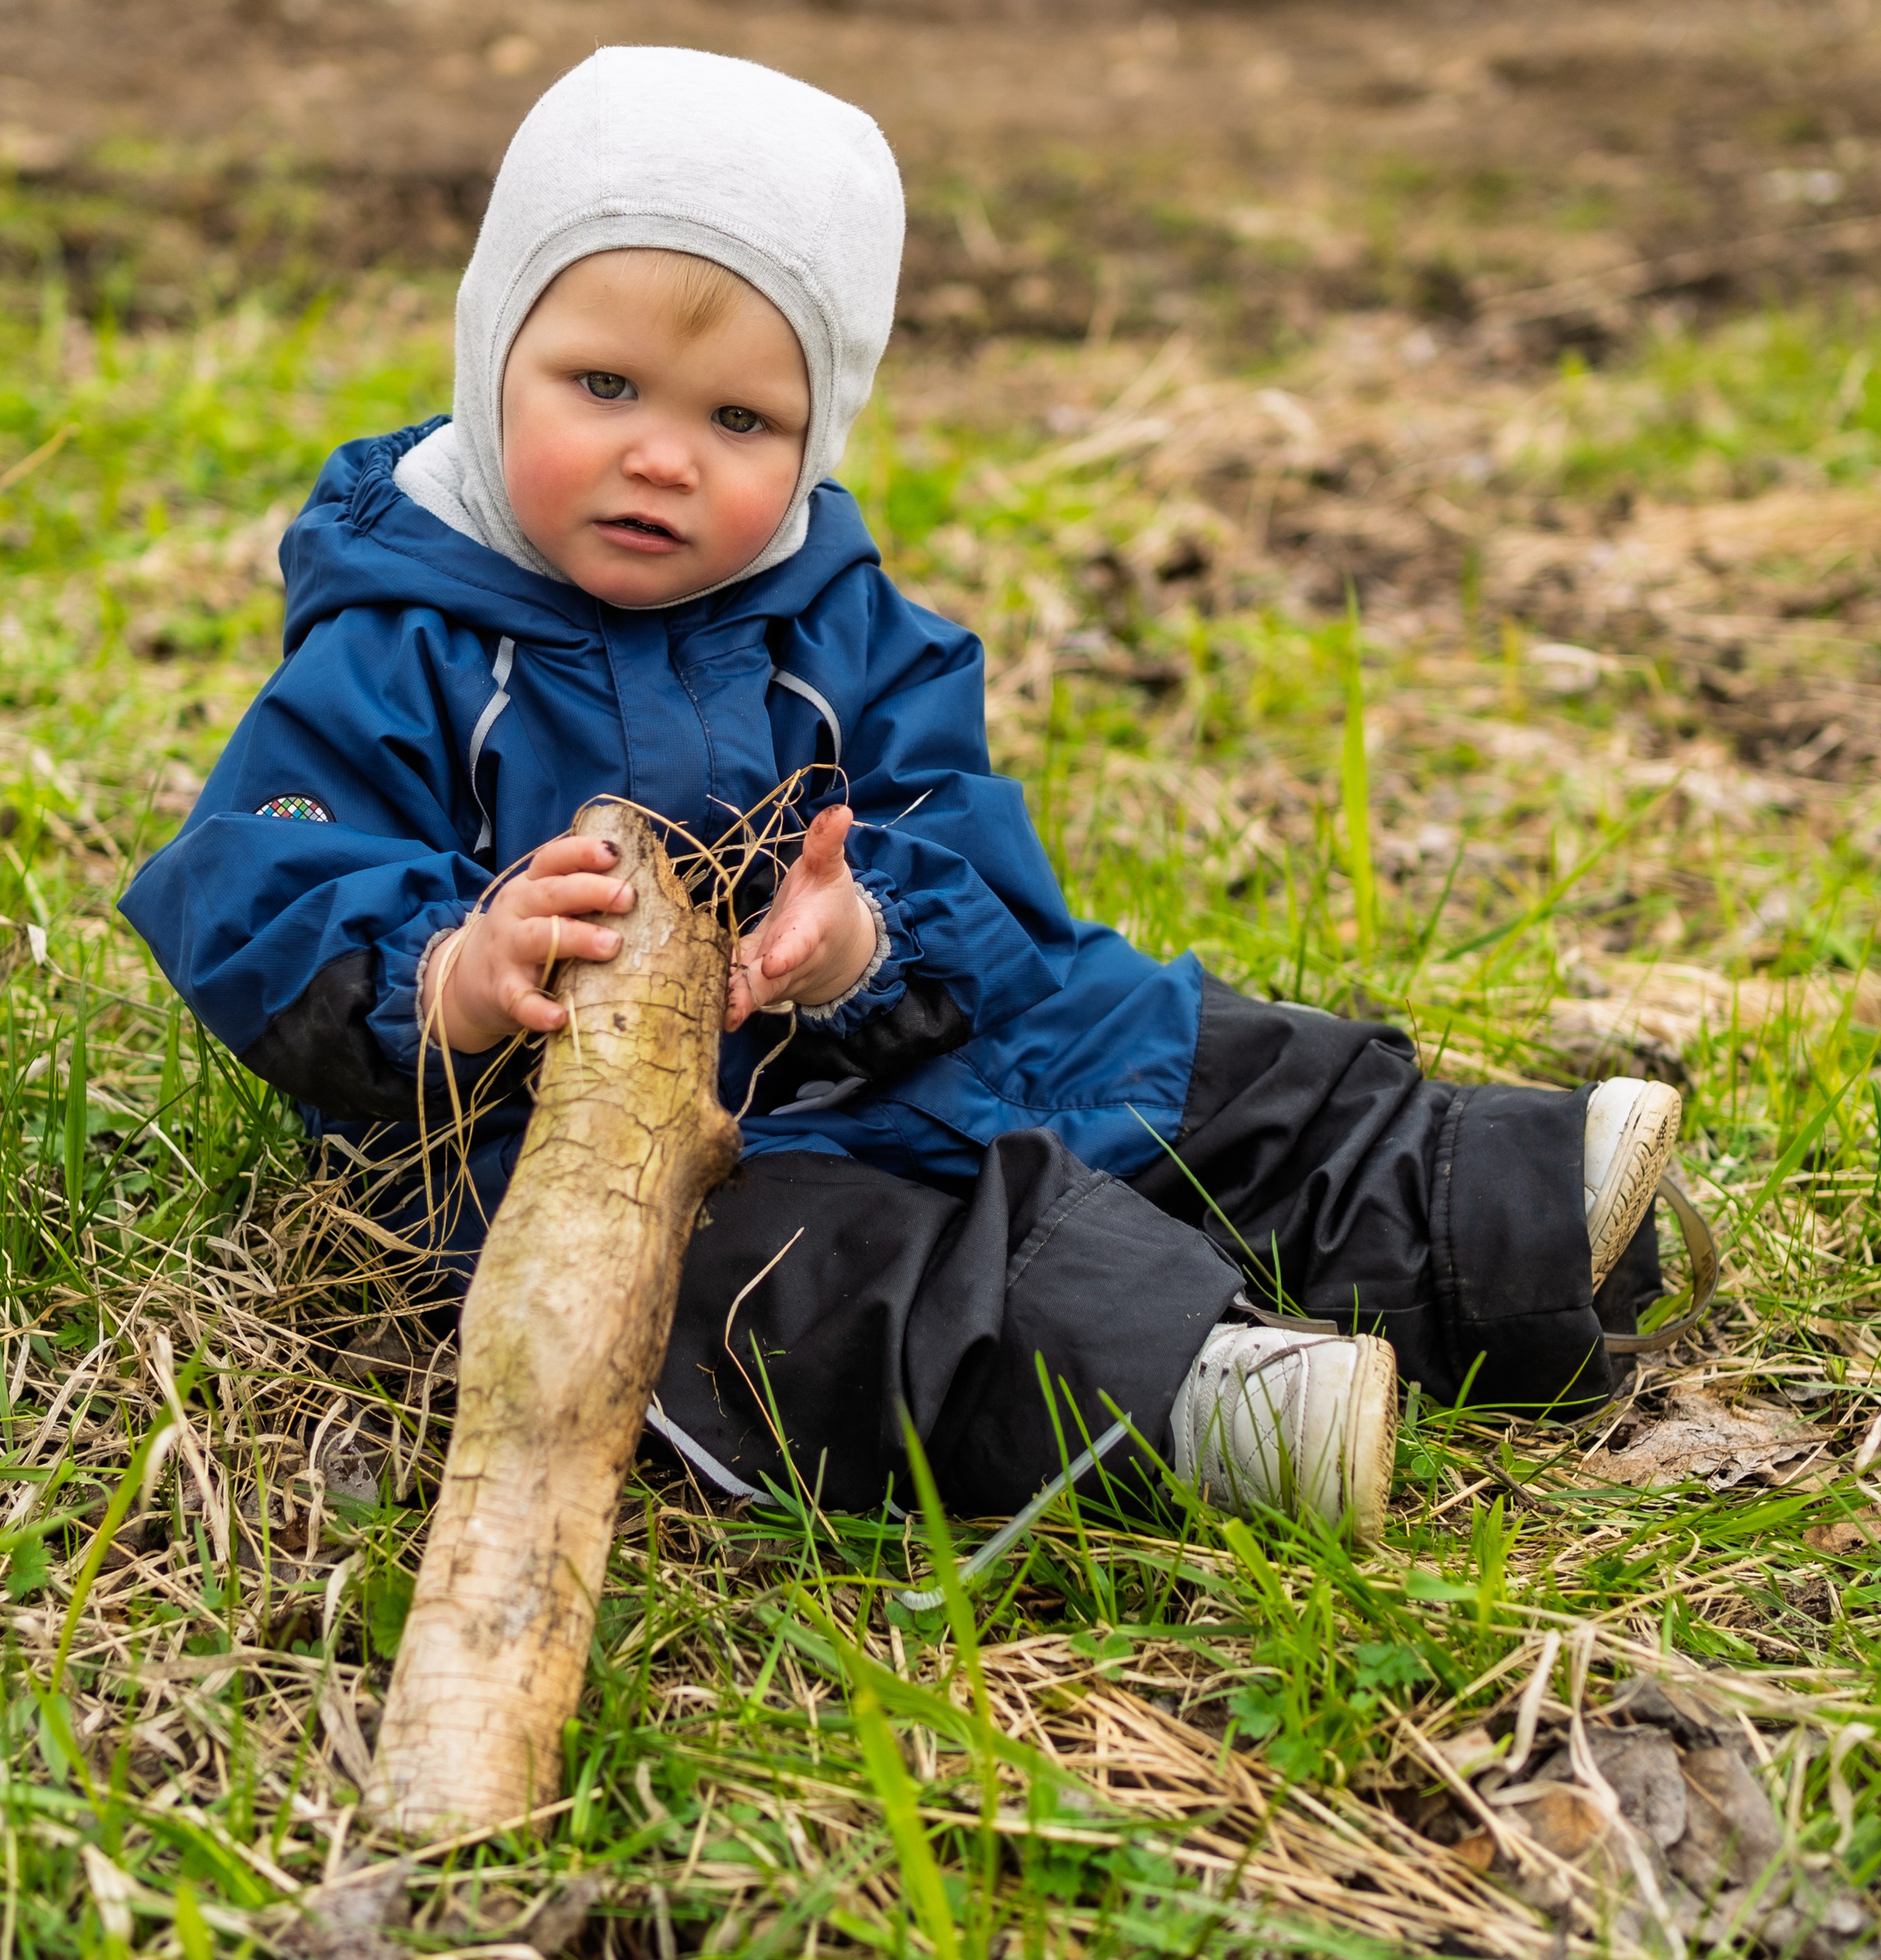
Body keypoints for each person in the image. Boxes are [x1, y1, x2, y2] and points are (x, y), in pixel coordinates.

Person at [120, 47, 1688, 1546]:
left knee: (1163, 1041)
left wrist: (866, 927)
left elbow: (960, 841)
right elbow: (265, 875)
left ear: (817, 435)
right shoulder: (400, 638)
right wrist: (453, 974)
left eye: (739, 420)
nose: (663, 457)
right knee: (796, 1283)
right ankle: (1190, 1400)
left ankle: (1490, 1218)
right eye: (603, 384)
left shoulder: (841, 622)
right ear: (489, 354)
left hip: (880, 1031)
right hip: (574, 1134)